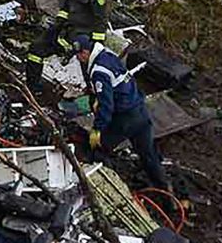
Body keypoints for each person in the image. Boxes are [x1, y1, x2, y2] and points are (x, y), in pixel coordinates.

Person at [73, 35, 170, 192]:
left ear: (85, 52)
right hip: (140, 111)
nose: (78, 59)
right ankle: (166, 194)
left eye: (79, 55)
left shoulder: (99, 71)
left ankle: (107, 189)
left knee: (98, 149)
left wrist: (97, 130)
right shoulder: (108, 56)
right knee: (149, 156)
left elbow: (106, 106)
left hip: (126, 118)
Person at [25, 0, 112, 94]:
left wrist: (95, 45)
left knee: (89, 70)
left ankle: (94, 96)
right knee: (36, 49)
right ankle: (33, 87)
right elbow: (67, 4)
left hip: (84, 34)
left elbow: (101, 20)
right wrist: (57, 24)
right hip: (66, 27)